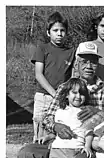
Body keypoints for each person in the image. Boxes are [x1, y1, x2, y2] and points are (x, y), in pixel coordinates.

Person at [17, 41, 104, 158]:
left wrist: (98, 113)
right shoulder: (65, 88)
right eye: (84, 62)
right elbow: (48, 118)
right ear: (77, 64)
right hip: (60, 144)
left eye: (93, 62)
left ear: (97, 64)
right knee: (27, 153)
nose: (88, 66)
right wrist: (55, 126)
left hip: (89, 145)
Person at [30, 11, 75, 142]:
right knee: (40, 135)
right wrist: (54, 93)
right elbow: (38, 74)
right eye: (55, 30)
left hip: (62, 100)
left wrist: (64, 96)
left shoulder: (71, 52)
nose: (59, 33)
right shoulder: (42, 48)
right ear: (49, 32)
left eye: (62, 30)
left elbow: (72, 76)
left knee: (57, 135)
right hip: (43, 97)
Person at [37, 78, 94, 158]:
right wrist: (47, 137)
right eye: (74, 93)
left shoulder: (85, 112)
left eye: (82, 93)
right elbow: (57, 133)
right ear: (67, 95)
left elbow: (89, 132)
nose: (78, 96)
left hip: (76, 149)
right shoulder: (60, 111)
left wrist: (87, 146)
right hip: (57, 151)